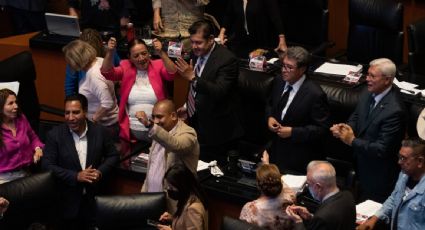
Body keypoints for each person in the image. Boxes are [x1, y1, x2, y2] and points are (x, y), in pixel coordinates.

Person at [330, 58, 406, 202]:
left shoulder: (395, 111)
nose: (367, 79)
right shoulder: (367, 92)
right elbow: (357, 115)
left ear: (387, 80)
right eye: (367, 74)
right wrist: (345, 128)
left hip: (378, 175)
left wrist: (352, 140)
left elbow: (382, 149)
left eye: (372, 76)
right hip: (360, 164)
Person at [42, 94, 119, 229]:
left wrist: (99, 172)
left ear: (85, 111)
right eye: (67, 113)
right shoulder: (55, 135)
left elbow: (113, 156)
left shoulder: (100, 132)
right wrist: (76, 176)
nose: (71, 118)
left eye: (76, 112)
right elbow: (47, 165)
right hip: (66, 204)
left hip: (94, 201)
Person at [175, 20, 243, 164]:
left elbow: (220, 91)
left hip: (218, 131)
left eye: (198, 42)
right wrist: (188, 106)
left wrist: (193, 78)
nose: (194, 46)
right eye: (192, 42)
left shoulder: (227, 59)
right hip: (197, 123)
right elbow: (196, 85)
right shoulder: (196, 54)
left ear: (211, 39)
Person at [101, 37, 176, 147]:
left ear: (149, 53)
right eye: (136, 56)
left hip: (159, 130)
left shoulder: (158, 65)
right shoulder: (125, 66)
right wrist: (110, 52)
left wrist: (161, 53)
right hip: (132, 133)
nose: (141, 58)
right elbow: (107, 72)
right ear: (129, 58)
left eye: (144, 53)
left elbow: (172, 73)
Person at [266, 46, 330, 173]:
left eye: (289, 67)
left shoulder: (315, 94)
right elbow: (269, 104)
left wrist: (293, 132)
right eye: (283, 65)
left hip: (299, 157)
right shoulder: (279, 81)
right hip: (276, 149)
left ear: (302, 70)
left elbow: (322, 129)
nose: (284, 70)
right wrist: (270, 117)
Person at [357, 139, 425, 230]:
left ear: (420, 161)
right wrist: (374, 219)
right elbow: (394, 198)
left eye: (403, 158)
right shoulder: (404, 175)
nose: (399, 162)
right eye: (399, 157)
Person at [137, 99, 199, 192]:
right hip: (151, 196)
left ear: (173, 116)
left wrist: (150, 125)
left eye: (159, 117)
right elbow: (151, 169)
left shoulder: (188, 133)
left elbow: (177, 146)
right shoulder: (158, 132)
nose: (156, 121)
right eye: (153, 117)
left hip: (173, 201)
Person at [63, 39, 119, 137]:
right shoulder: (99, 60)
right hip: (106, 125)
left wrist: (93, 121)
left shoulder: (93, 76)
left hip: (105, 127)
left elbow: (107, 103)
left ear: (76, 60)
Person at [286, 161, 356, 230]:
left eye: (308, 184)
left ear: (318, 187)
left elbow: (325, 220)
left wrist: (299, 224)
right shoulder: (348, 196)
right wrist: (310, 217)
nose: (307, 187)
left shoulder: (322, 217)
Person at [0, 88, 44, 184]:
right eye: (10, 103)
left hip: (25, 173)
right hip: (3, 179)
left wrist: (37, 148)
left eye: (16, 102)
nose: (16, 106)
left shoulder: (21, 118)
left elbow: (33, 138)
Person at [219, 0, 287, 58]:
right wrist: (221, 33)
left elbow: (275, 17)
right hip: (242, 42)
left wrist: (282, 39)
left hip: (262, 41)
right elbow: (228, 15)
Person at [64, 28, 121, 96]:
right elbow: (69, 89)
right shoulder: (76, 58)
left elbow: (121, 74)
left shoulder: (110, 53)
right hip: (86, 100)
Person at [239, 164, 296, 230]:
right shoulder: (290, 197)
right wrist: (268, 168)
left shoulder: (250, 208)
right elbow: (283, 184)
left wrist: (265, 168)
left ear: (258, 185)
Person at [156, 163, 208, 230]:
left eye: (172, 188)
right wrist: (174, 219)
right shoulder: (189, 198)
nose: (169, 190)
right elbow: (186, 224)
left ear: (182, 186)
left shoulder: (193, 210)